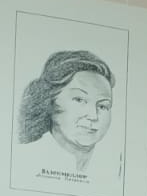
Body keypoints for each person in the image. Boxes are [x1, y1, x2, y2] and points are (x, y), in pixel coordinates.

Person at [12, 49, 116, 187]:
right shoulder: (21, 159)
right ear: (50, 101)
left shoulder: (114, 170)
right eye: (79, 100)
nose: (93, 116)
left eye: (102, 106)